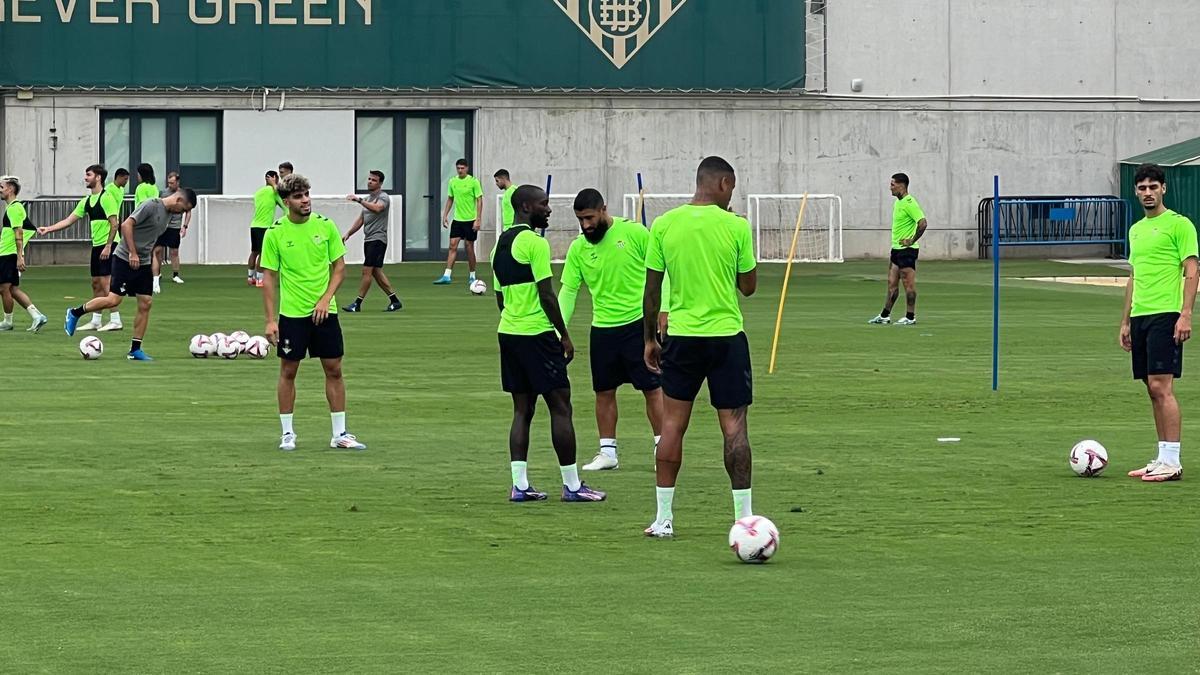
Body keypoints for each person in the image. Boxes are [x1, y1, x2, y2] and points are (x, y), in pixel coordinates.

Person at [642, 156, 757, 538]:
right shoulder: (736, 226)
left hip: (682, 337)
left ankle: (663, 519)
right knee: (734, 427)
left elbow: (653, 289)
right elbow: (748, 286)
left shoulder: (664, 224)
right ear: (724, 183)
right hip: (726, 337)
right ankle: (744, 519)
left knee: (672, 425)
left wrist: (648, 339)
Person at [493, 184, 606, 503]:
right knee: (560, 406)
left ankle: (520, 484)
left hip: (509, 333)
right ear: (527, 207)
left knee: (522, 410)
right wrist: (564, 335)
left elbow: (500, 298)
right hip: (538, 336)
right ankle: (572, 486)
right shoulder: (534, 243)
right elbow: (546, 294)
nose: (549, 209)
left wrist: (515, 320)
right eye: (544, 204)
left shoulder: (498, 245)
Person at [559, 188, 665, 471]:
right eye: (580, 220)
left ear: (603, 209)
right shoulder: (578, 249)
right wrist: (556, 328)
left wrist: (663, 313)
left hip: (639, 325)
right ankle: (608, 452)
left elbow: (660, 274)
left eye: (590, 218)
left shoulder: (635, 234)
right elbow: (569, 290)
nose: (585, 225)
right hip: (602, 329)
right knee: (603, 391)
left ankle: (662, 447)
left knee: (652, 388)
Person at [260, 173, 366, 452]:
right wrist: (271, 320)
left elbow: (340, 267)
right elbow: (269, 277)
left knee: (334, 369)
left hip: (325, 312)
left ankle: (339, 433)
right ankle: (287, 433)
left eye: (307, 194)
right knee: (288, 371)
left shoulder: (326, 226)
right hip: (292, 314)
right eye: (298, 196)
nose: (305, 200)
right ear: (286, 201)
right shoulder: (275, 233)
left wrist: (325, 299)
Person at [1121, 163, 1198, 483]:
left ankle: (1173, 461)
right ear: (1136, 191)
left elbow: (1192, 270)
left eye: (1154, 187)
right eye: (1142, 188)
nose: (1148, 193)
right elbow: (1134, 276)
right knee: (1150, 389)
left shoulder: (1180, 225)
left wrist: (1185, 313)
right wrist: (1125, 321)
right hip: (1141, 315)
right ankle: (1162, 457)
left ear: (1163, 189)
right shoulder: (1136, 230)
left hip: (1166, 314)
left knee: (1161, 386)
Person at [64, 187, 197, 361]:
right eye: (185, 209)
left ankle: (135, 350)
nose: (183, 213)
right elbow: (126, 224)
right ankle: (75, 313)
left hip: (143, 263)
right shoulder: (151, 205)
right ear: (179, 200)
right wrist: (132, 252)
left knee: (146, 303)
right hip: (124, 258)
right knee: (113, 300)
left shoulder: (169, 215)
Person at [39, 164, 123, 332]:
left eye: (89, 175)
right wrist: (48, 228)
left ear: (98, 177)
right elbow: (69, 220)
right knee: (96, 284)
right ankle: (96, 320)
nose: (85, 178)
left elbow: (115, 224)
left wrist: (108, 246)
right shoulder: (86, 201)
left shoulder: (106, 198)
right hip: (97, 246)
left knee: (107, 284)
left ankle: (115, 320)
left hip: (110, 245)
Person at [869, 172, 927, 326]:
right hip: (896, 250)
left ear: (901, 185)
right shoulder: (898, 203)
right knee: (891, 283)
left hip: (907, 251)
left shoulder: (909, 203)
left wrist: (911, 240)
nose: (890, 188)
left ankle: (910, 317)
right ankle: (885, 316)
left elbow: (923, 223)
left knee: (908, 284)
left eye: (892, 184)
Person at [341, 170, 402, 312]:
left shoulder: (383, 197)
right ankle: (394, 300)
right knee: (375, 272)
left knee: (366, 271)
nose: (370, 181)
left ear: (380, 183)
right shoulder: (368, 199)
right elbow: (361, 219)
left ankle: (357, 304)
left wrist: (359, 200)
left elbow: (377, 209)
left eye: (373, 180)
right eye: (369, 179)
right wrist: (349, 233)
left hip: (378, 239)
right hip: (369, 239)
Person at [0, 176, 48, 332]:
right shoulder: (13, 208)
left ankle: (7, 322)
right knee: (12, 289)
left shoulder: (14, 208)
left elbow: (18, 233)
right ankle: (37, 316)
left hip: (9, 254)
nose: (0, 190)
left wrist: (20, 257)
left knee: (3, 288)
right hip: (8, 253)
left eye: (1, 187)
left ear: (11, 189)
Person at [434, 159, 483, 286]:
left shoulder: (473, 182)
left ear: (467, 168)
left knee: (469, 247)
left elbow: (479, 200)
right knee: (452, 245)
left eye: (462, 168)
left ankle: (472, 275)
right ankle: (446, 275)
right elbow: (450, 199)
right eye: (458, 168)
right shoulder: (452, 181)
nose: (460, 170)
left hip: (470, 220)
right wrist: (445, 215)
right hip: (457, 220)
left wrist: (478, 219)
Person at [152, 171, 190, 292]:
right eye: (169, 183)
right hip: (163, 226)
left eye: (172, 183)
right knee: (157, 250)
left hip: (175, 226)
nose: (170, 185)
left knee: (174, 252)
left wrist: (185, 226)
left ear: (177, 182)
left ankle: (176, 275)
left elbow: (188, 211)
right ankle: (157, 275)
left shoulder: (183, 194)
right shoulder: (163, 193)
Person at [248, 171, 281, 288]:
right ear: (274, 178)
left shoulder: (258, 192)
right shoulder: (274, 191)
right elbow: (283, 201)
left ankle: (250, 277)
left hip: (254, 225)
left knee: (254, 252)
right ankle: (259, 279)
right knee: (262, 253)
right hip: (264, 226)